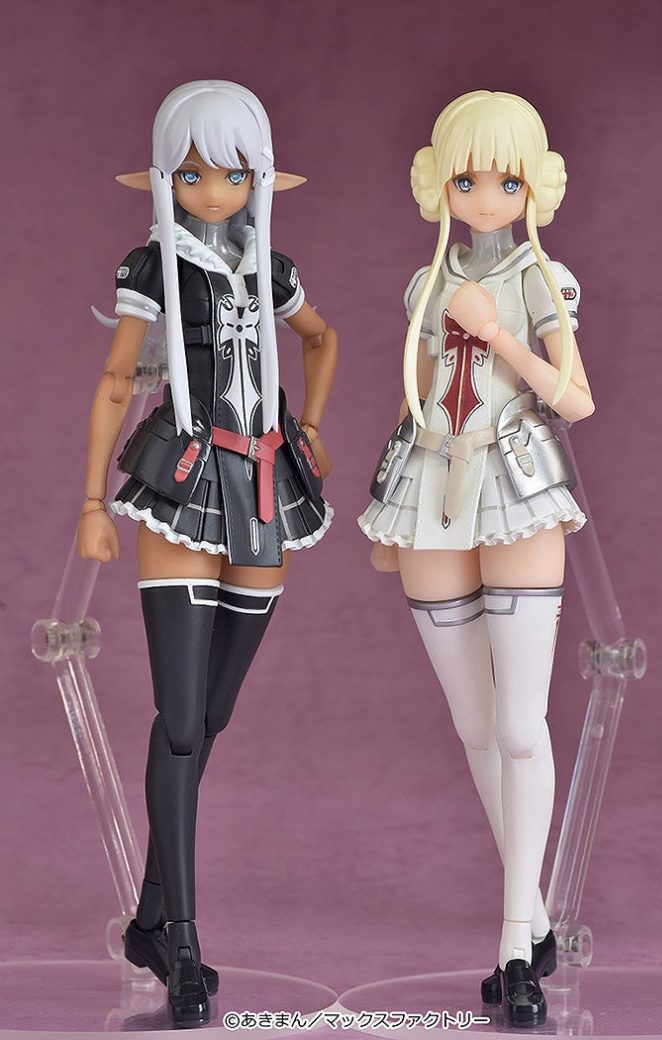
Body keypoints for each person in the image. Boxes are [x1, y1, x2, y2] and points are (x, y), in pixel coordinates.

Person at [77, 80, 337, 1026]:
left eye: (231, 173)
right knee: (180, 722)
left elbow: (321, 338)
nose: (215, 190)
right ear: (166, 178)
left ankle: (150, 918)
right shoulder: (154, 264)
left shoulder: (273, 267)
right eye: (194, 174)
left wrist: (310, 428)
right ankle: (181, 941)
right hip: (182, 481)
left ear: (258, 176)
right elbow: (117, 379)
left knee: (211, 717)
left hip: (264, 483)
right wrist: (90, 501)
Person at [358, 90, 594, 1027]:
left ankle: (512, 945)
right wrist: (388, 509)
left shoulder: (543, 279)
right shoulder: (425, 283)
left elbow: (573, 399)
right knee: (473, 724)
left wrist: (495, 333)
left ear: (533, 185)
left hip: (519, 484)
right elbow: (414, 398)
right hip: (429, 489)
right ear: (439, 185)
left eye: (504, 180)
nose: (485, 197)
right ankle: (532, 919)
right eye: (467, 180)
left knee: (521, 728)